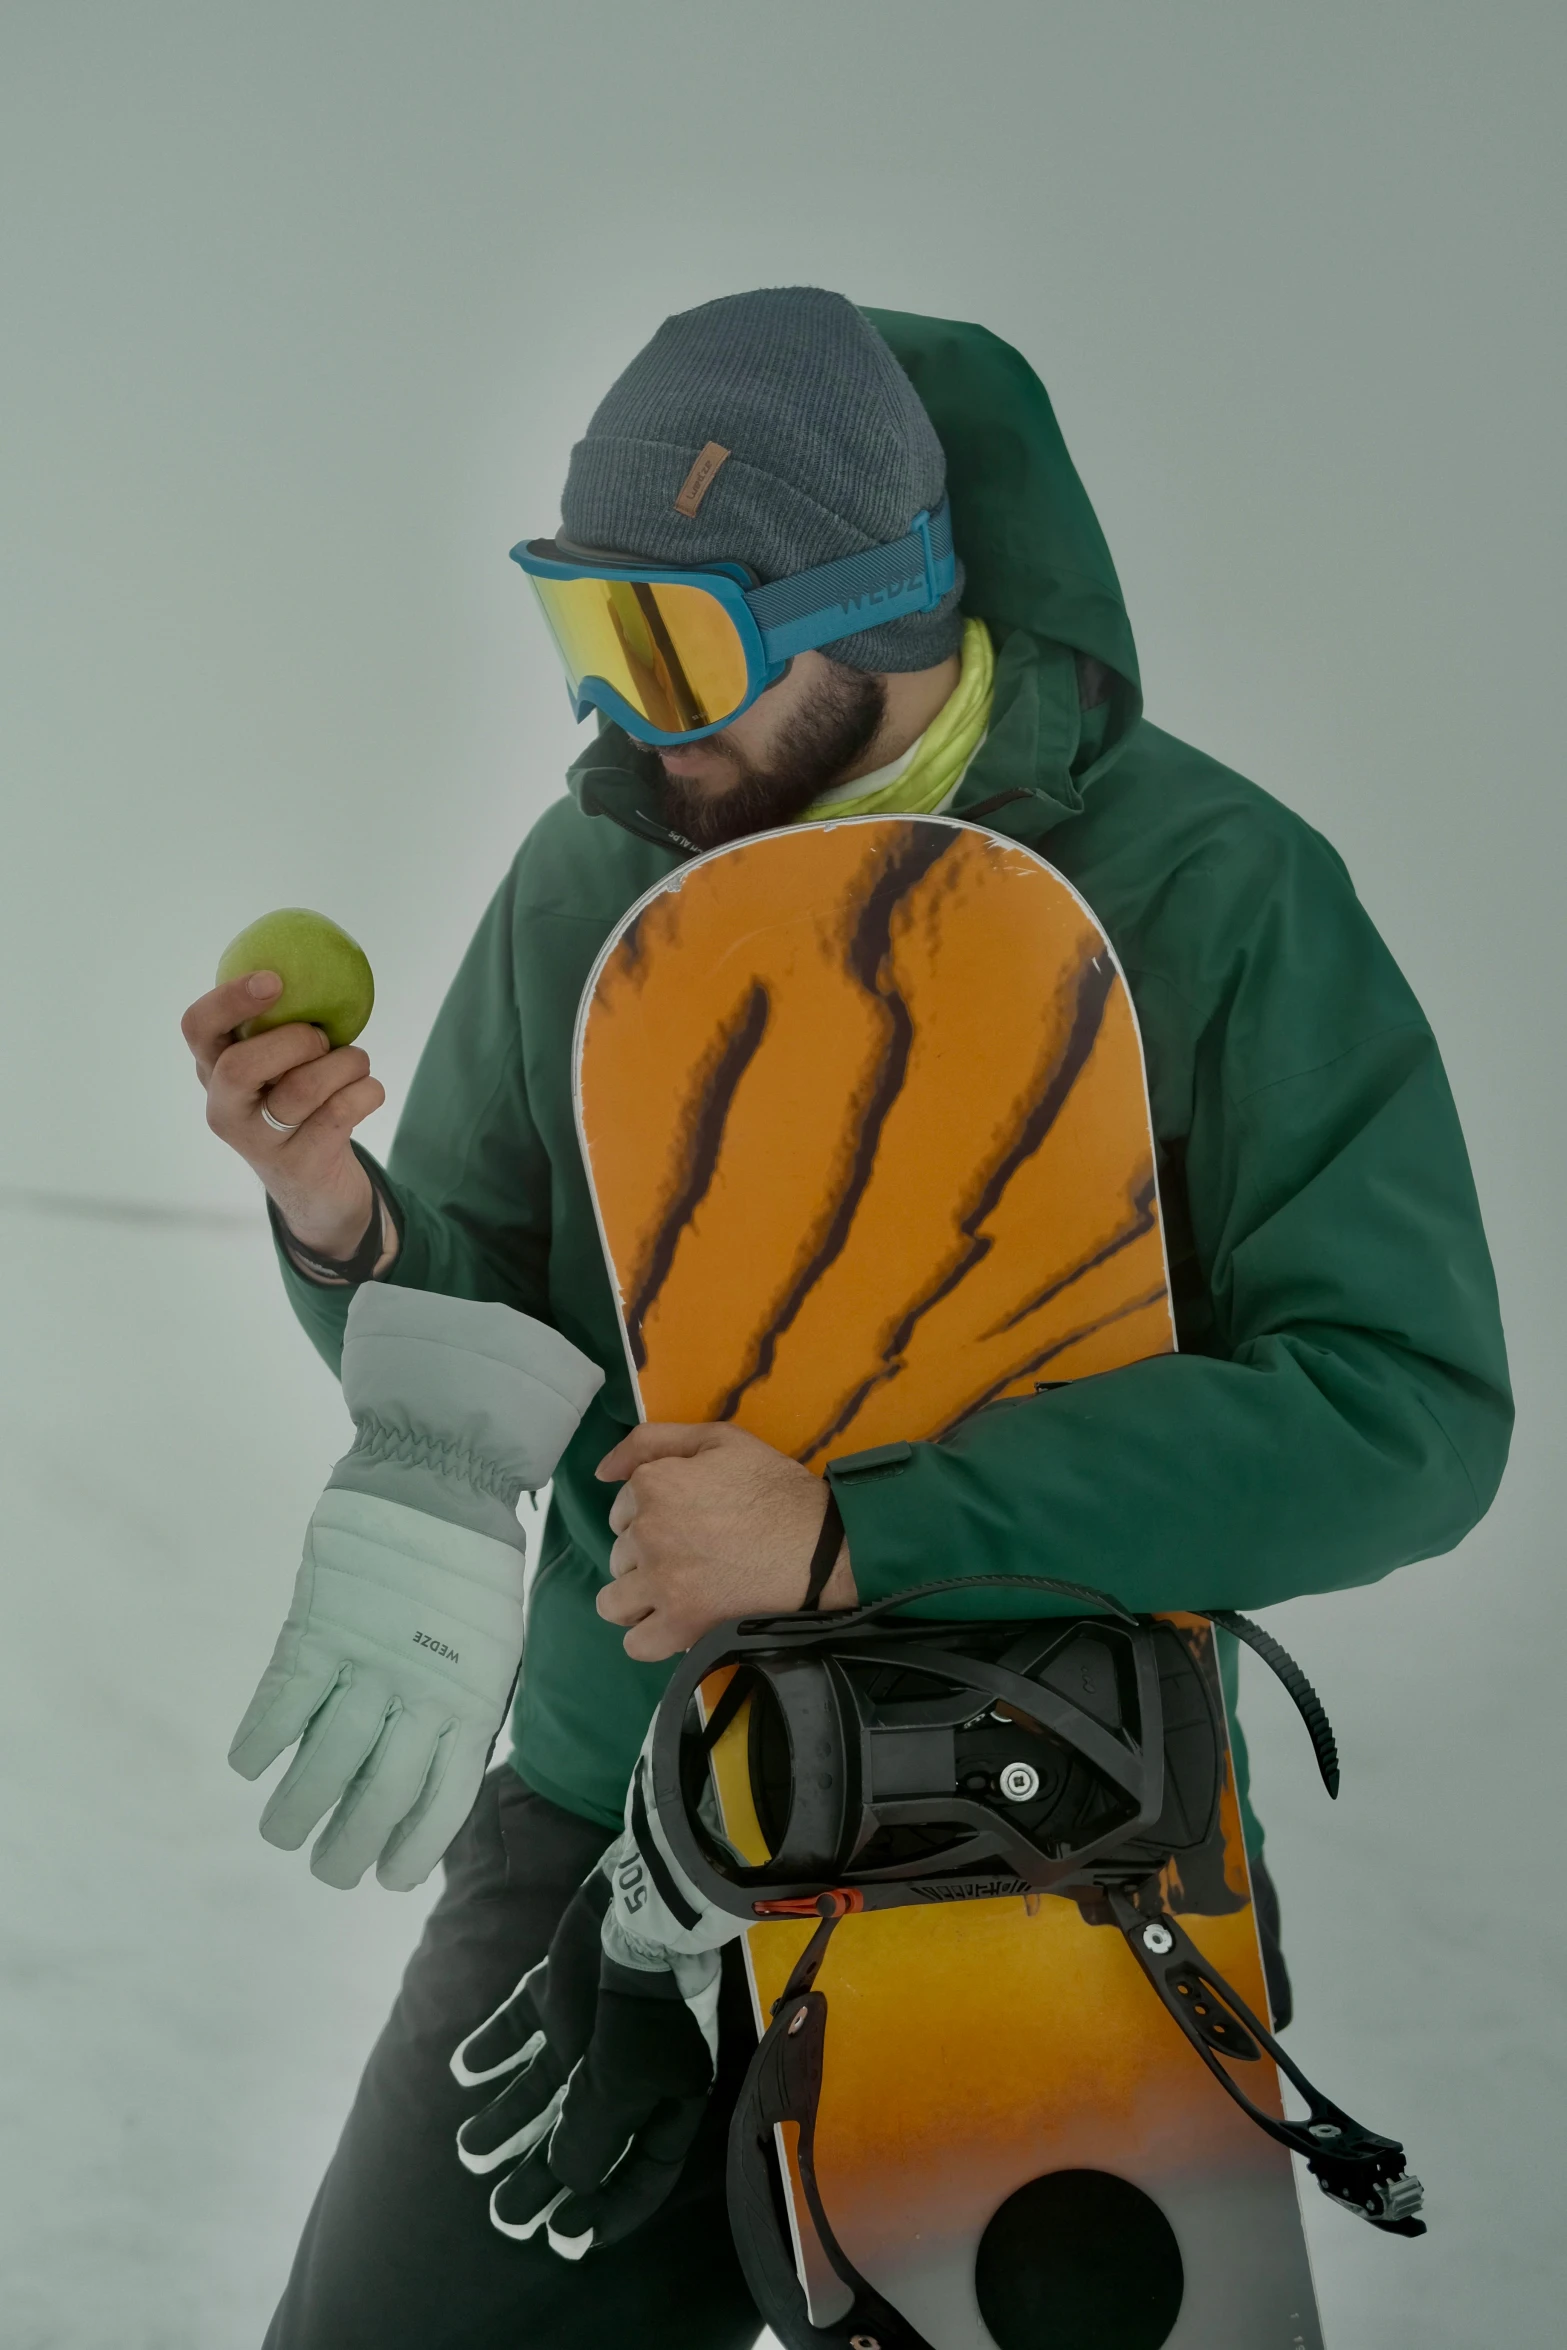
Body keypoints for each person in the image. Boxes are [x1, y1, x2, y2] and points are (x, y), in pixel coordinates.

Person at [180, 288, 1511, 2350]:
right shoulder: (592, 875)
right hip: (611, 1818)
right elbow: (497, 1335)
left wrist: (856, 1532)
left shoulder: (1221, 895)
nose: (627, 714)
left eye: (677, 641)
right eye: (586, 631)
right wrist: (340, 1218)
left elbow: (1406, 1411)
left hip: (1042, 1839)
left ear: (879, 604)